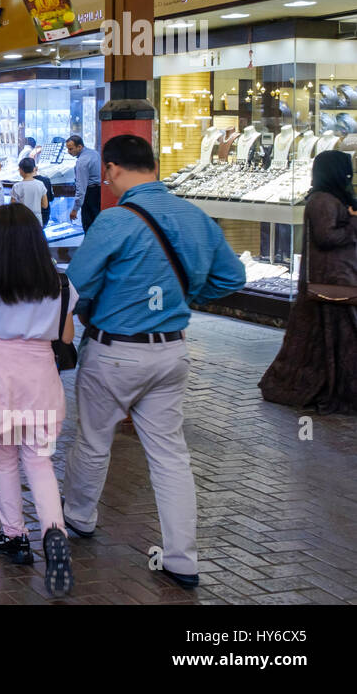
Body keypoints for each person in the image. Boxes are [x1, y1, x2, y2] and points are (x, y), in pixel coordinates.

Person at [62, 134, 246, 589]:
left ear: (111, 169)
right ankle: (182, 557)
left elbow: (77, 285)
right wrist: (187, 296)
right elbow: (232, 277)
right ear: (155, 166)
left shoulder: (114, 220)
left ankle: (80, 516)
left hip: (114, 351)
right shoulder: (195, 216)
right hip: (172, 351)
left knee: (93, 440)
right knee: (170, 456)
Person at [0, 203, 77, 597]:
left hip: (1, 377)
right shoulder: (59, 285)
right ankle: (53, 531)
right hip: (41, 376)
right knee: (39, 459)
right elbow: (66, 337)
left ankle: (14, 535)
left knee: (4, 458)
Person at [259, 150, 357, 413]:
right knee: (335, 337)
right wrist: (354, 223)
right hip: (331, 281)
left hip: (337, 278)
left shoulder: (327, 198)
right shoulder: (323, 200)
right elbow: (327, 237)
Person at [66, 135, 102, 230]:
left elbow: (81, 188)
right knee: (97, 224)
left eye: (71, 149)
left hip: (89, 194)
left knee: (89, 226)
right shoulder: (94, 153)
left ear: (79, 147)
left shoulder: (82, 162)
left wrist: (75, 209)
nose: (69, 152)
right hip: (99, 191)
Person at [10, 157, 49, 224]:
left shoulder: (17, 186)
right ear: (34, 169)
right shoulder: (40, 184)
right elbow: (45, 205)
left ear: (21, 170)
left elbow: (13, 206)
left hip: (21, 219)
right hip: (37, 219)